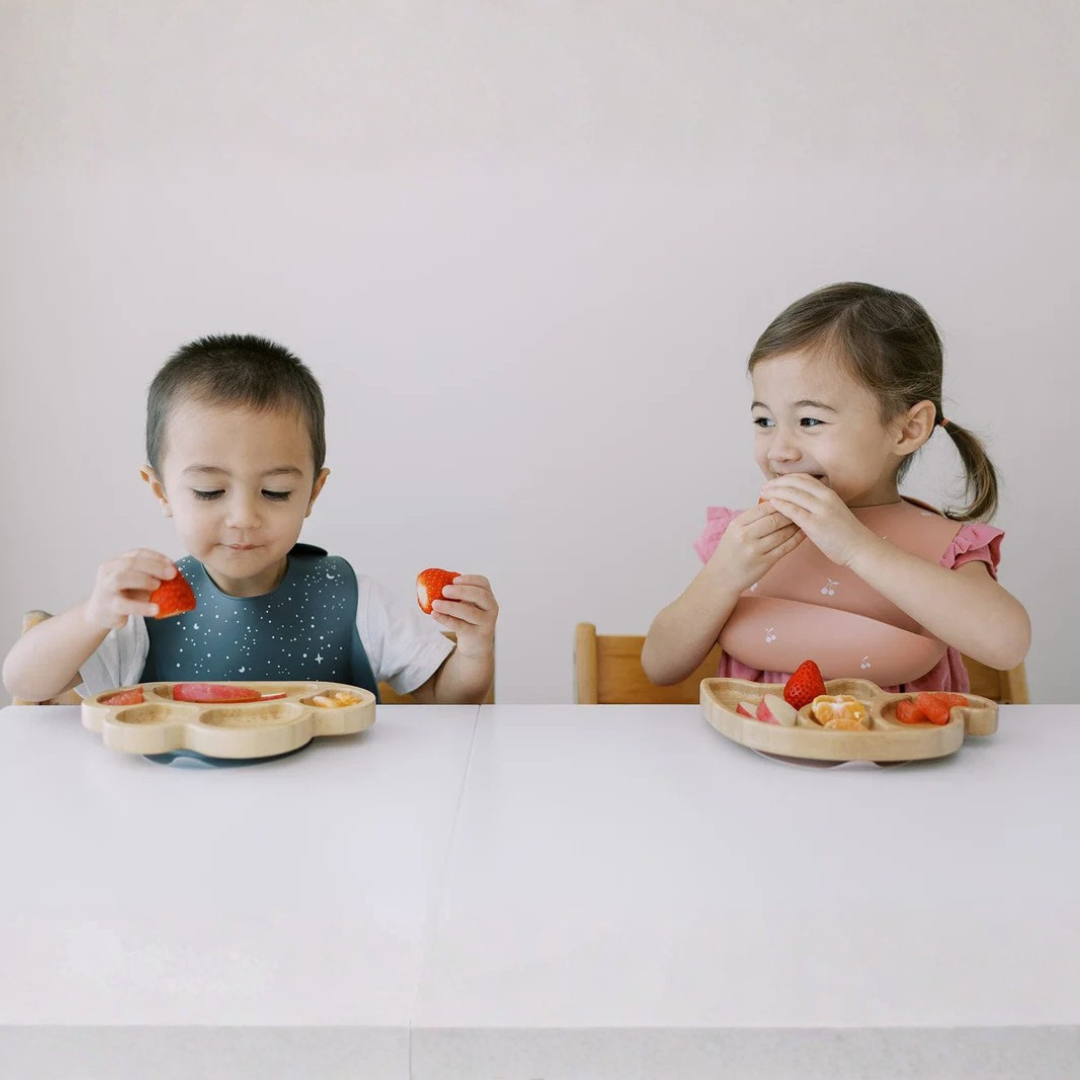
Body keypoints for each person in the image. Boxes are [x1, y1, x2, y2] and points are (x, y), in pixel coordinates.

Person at [3, 335, 497, 704]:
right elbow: (23, 683)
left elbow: (448, 699)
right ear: (161, 491)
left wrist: (474, 646)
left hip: (334, 812)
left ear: (312, 492)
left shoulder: (353, 599)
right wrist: (94, 613)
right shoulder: (147, 608)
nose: (243, 517)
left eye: (276, 492)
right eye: (209, 490)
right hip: (179, 810)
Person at [642, 282, 1030, 694]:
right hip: (753, 756)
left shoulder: (944, 546)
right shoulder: (744, 540)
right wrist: (721, 578)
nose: (781, 450)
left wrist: (857, 547)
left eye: (810, 421)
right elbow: (659, 667)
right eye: (764, 421)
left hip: (901, 756)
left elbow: (1007, 645)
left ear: (907, 428)